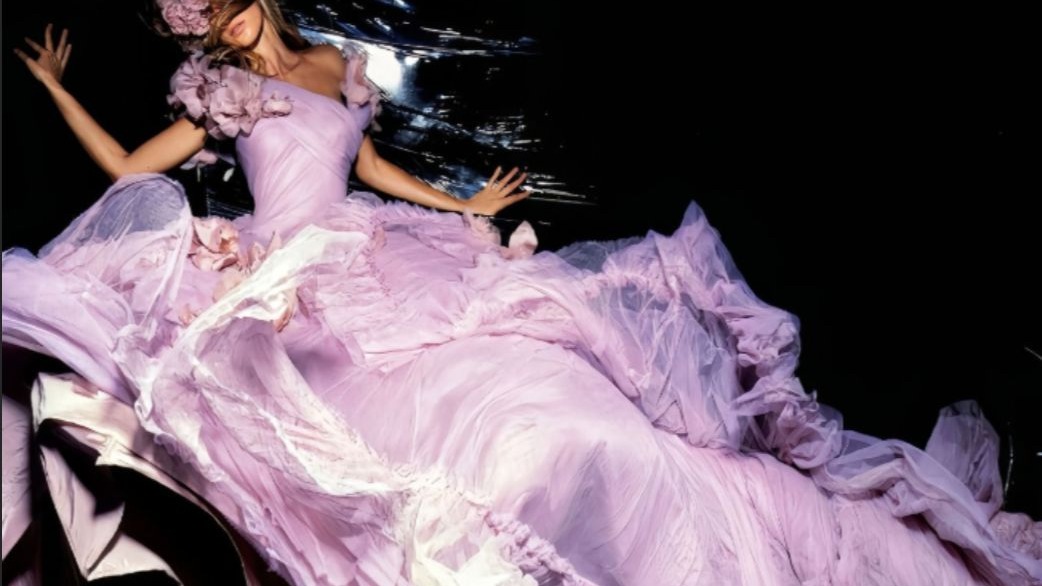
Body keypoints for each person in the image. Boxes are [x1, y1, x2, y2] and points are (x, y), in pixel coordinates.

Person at [4, 1, 1040, 584]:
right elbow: (128, 167)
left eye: (221, 2)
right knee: (319, 409)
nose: (219, 24)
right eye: (200, 19)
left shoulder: (336, 64)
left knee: (521, 367)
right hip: (284, 260)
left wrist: (462, 201)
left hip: (368, 243)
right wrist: (55, 90)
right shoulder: (222, 92)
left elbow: (368, 169)